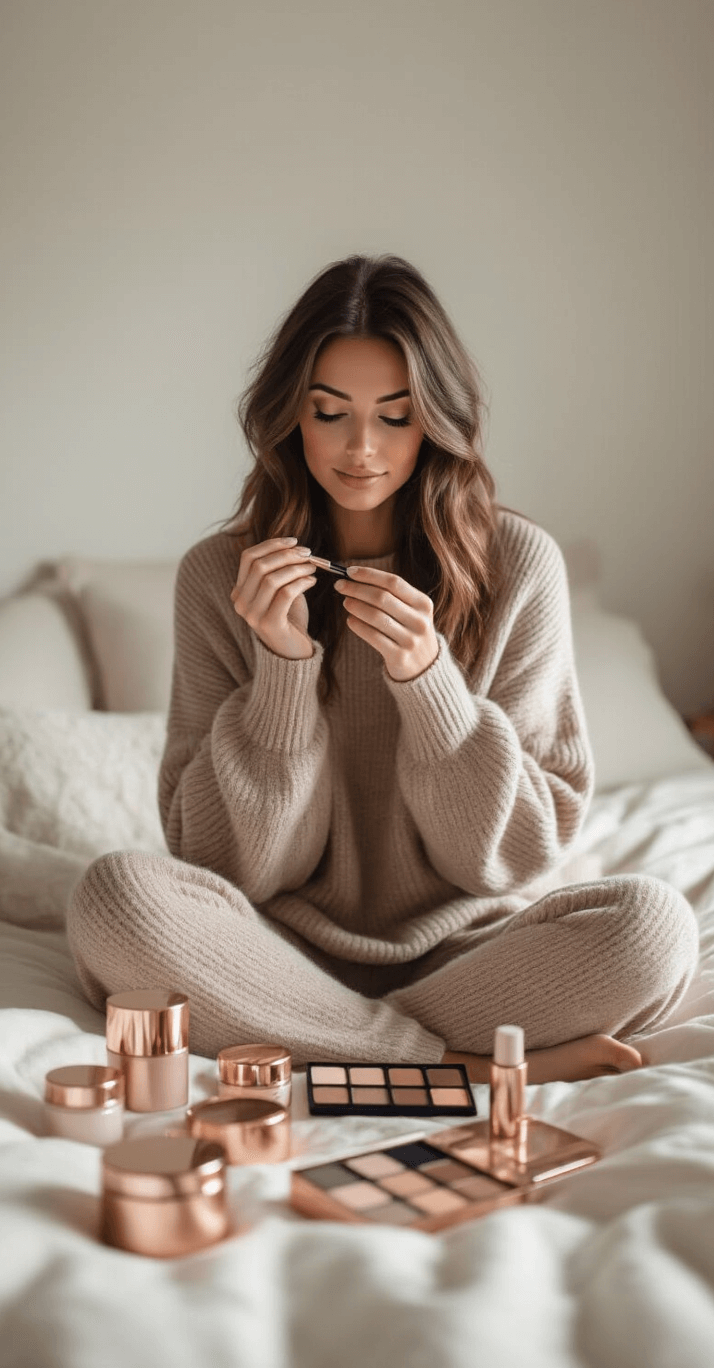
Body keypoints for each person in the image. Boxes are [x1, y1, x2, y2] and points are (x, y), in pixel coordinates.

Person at [67, 253, 699, 1083]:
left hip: (473, 953)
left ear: (435, 420)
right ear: (291, 415)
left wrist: (431, 684)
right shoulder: (217, 578)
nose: (361, 448)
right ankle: (452, 1065)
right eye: (330, 413)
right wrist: (284, 674)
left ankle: (338, 1045)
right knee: (113, 899)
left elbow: (511, 858)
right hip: (273, 950)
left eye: (395, 418)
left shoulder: (518, 564)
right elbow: (229, 867)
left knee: (654, 927)